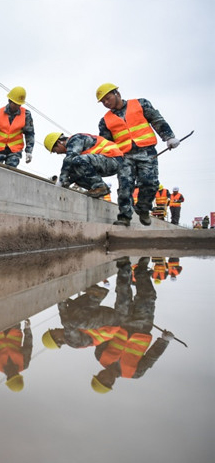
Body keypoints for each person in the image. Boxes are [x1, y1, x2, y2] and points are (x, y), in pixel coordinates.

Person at [96, 83, 181, 226]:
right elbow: (107, 143)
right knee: (125, 186)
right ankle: (124, 217)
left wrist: (169, 137)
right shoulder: (105, 121)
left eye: (107, 98)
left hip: (146, 152)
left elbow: (157, 120)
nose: (106, 103)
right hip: (124, 157)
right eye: (103, 101)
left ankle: (143, 208)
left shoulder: (140, 104)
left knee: (150, 183)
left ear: (117, 93)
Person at [89, 257, 173, 394]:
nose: (104, 377)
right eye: (105, 381)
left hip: (122, 321)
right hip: (143, 326)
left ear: (98, 373)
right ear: (111, 383)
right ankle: (141, 271)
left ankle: (124, 266)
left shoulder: (100, 355)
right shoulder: (135, 373)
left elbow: (104, 332)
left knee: (124, 293)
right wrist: (164, 341)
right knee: (148, 296)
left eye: (100, 377)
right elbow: (151, 357)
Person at [43, 132, 127, 199]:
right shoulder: (74, 145)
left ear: (59, 142)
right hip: (106, 162)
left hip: (113, 159)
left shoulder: (76, 139)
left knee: (77, 160)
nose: (57, 153)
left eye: (55, 150)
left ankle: (100, 186)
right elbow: (72, 170)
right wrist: (66, 183)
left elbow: (70, 158)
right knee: (74, 171)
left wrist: (61, 180)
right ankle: (97, 190)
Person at [0, 87, 35, 167]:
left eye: (19, 104)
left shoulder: (26, 115)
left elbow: (29, 134)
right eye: (15, 104)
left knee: (9, 173)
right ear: (9, 101)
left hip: (14, 151)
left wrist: (29, 151)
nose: (17, 106)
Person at [0, 319, 33, 391]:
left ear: (7, 378)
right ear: (18, 374)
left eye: (11, 376)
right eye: (15, 374)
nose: (12, 372)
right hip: (14, 327)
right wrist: (27, 329)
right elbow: (28, 345)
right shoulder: (24, 363)